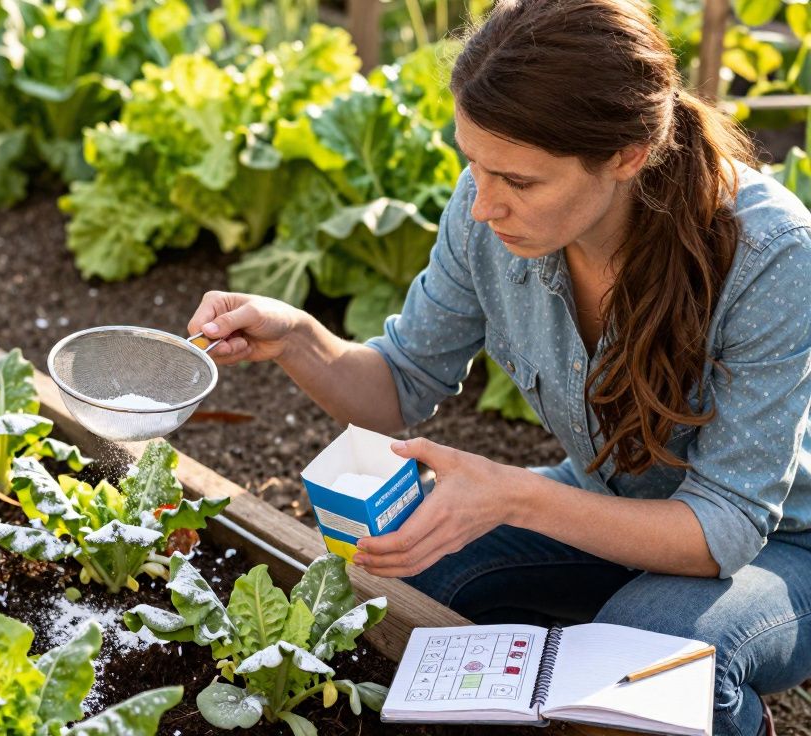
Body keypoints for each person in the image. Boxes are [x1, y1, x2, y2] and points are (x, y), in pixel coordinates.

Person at [186, 0, 811, 732]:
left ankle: (695, 697)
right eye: (473, 164)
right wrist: (296, 337)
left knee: (647, 655)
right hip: (606, 505)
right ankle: (575, 693)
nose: (483, 206)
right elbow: (399, 384)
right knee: (400, 576)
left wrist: (513, 496)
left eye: (520, 181)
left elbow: (724, 527)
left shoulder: (771, 255)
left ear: (626, 155)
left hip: (779, 548)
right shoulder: (485, 208)